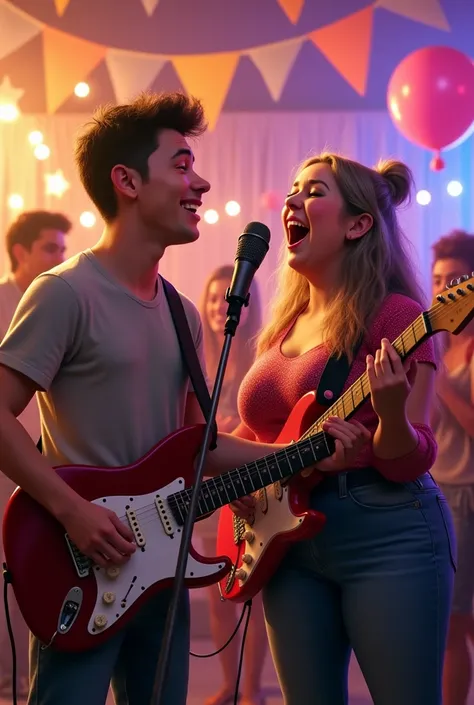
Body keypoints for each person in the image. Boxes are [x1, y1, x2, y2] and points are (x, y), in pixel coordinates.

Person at [0, 95, 365, 705]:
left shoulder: (182, 314)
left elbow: (202, 446)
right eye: (182, 165)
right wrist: (73, 512)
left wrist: (305, 453)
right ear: (127, 181)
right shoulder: (64, 294)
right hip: (82, 561)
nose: (201, 182)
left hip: (162, 570)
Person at [231, 153, 456, 705]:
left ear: (359, 225)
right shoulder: (281, 325)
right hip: (286, 538)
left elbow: (410, 458)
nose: (292, 201)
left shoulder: (396, 316)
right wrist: (245, 487)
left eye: (314, 191)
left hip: (384, 532)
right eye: (293, 189)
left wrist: (391, 415)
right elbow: (257, 435)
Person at [0, 209, 70, 699]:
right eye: (50, 248)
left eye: (64, 250)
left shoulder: (61, 300)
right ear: (19, 252)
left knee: (39, 572)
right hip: (6, 459)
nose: (59, 258)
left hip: (45, 468)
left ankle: (26, 681)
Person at [197, 266, 268, 705]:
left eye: (224, 298)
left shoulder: (259, 354)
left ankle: (251, 690)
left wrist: (226, 437)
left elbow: (264, 419)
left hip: (248, 486)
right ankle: (228, 684)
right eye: (210, 298)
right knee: (216, 594)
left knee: (251, 593)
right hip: (205, 487)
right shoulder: (194, 357)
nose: (216, 306)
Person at [431, 230, 474, 705]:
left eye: (456, 279)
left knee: (454, 621)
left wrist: (439, 383)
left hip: (466, 491)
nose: (445, 289)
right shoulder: (436, 340)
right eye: (439, 279)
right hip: (437, 487)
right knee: (453, 621)